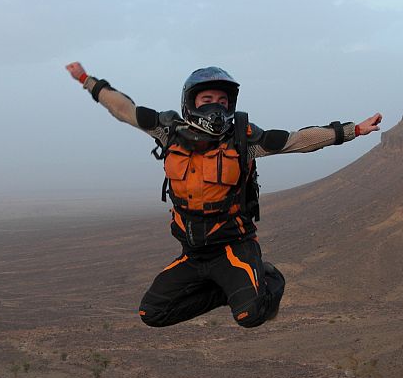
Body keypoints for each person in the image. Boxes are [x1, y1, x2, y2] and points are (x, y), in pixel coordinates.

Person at [65, 61, 381, 329]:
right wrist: (86, 80)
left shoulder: (243, 139)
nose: (215, 104)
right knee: (152, 313)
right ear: (191, 101)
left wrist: (353, 130)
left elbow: (298, 140)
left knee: (250, 315)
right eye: (207, 98)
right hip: (194, 253)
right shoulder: (169, 130)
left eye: (222, 98)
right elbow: (124, 109)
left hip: (232, 247)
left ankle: (266, 277)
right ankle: (226, 290)